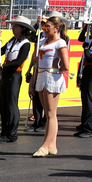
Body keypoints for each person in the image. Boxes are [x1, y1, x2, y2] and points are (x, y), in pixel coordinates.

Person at [31, 15, 70, 157]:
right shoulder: (42, 41)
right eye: (44, 26)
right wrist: (32, 82)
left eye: (47, 27)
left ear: (56, 29)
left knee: (50, 114)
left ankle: (45, 146)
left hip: (52, 78)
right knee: (48, 114)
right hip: (41, 76)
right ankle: (52, 145)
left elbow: (66, 65)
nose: (44, 29)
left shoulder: (60, 43)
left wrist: (56, 67)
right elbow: (36, 62)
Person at [0, 15, 34, 143]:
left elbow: (18, 62)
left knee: (11, 105)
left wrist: (4, 68)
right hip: (5, 75)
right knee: (3, 105)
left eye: (16, 26)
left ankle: (12, 133)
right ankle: (4, 132)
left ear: (23, 28)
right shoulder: (12, 41)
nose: (13, 28)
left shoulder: (25, 44)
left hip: (14, 76)